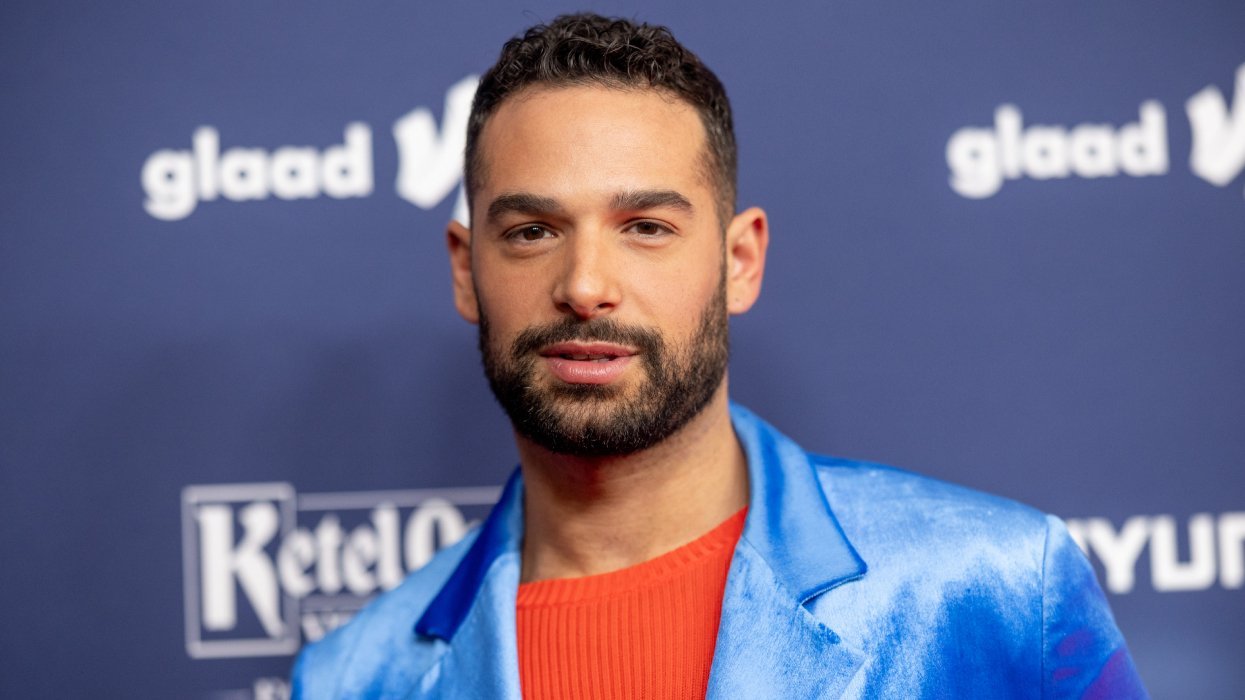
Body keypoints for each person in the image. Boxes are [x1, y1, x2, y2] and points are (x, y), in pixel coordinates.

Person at [292, 13, 1147, 699]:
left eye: (647, 229)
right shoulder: (355, 680)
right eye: (530, 232)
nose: (585, 284)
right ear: (465, 270)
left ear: (739, 261)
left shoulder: (992, 589)